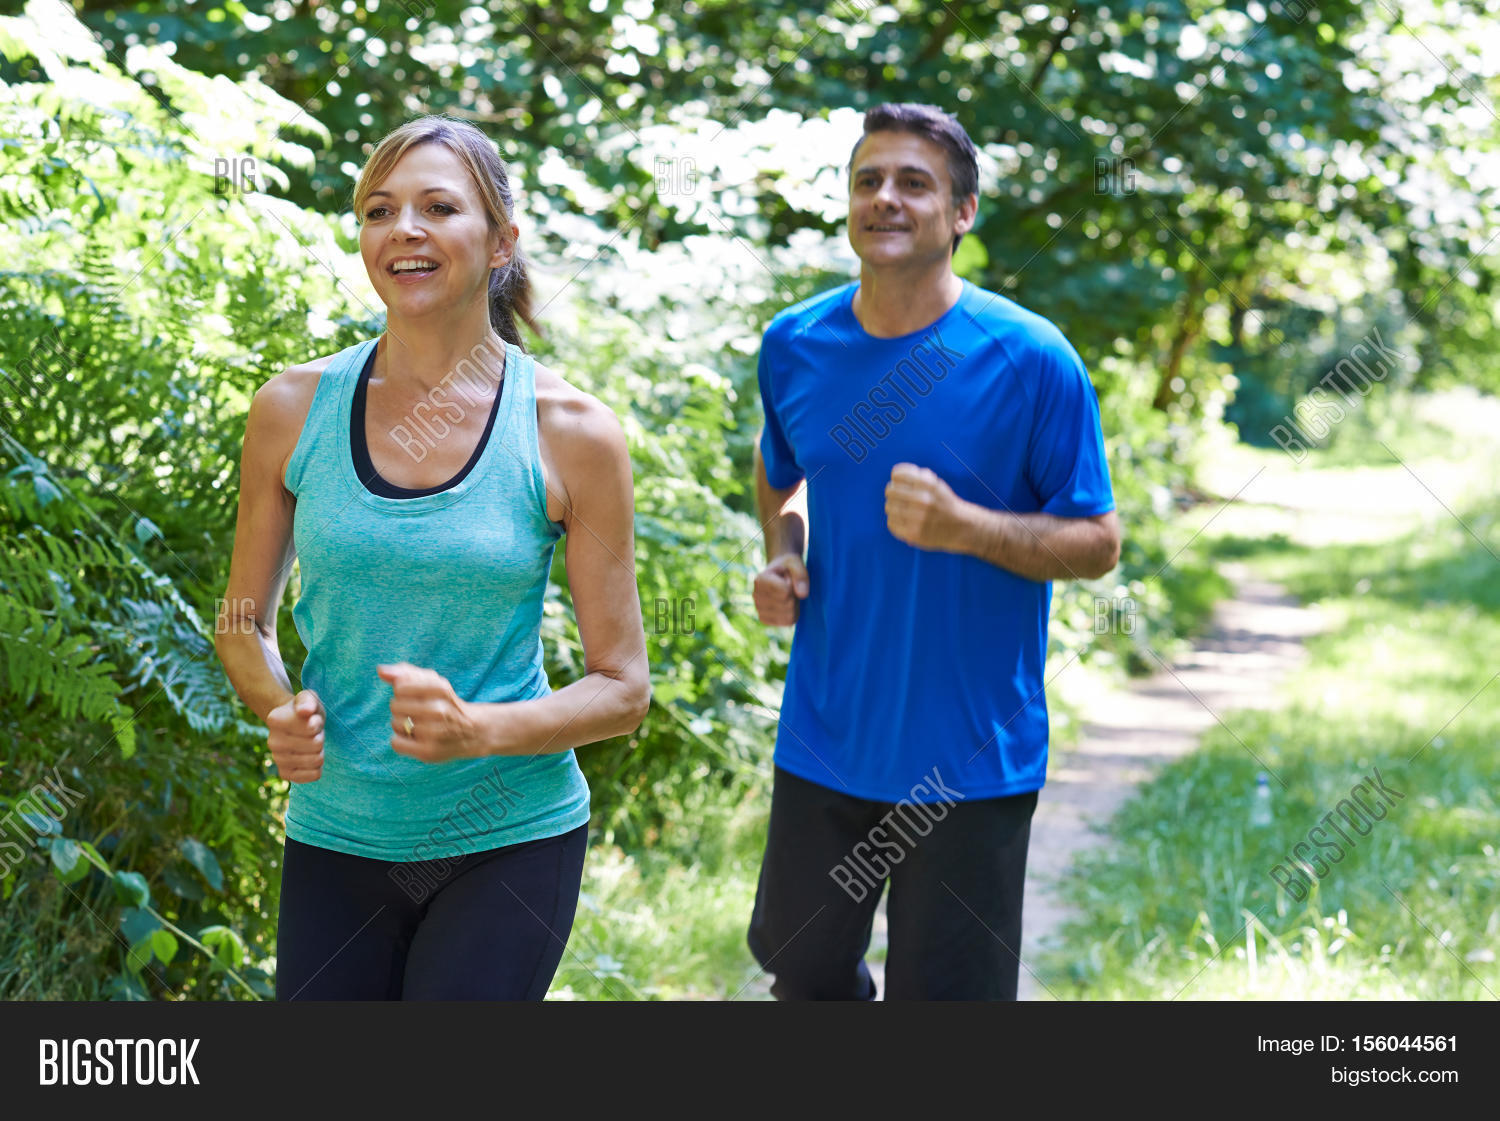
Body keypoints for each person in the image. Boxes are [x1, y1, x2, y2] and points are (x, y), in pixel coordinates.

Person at [215, 116, 650, 1001]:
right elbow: (240, 620)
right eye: (380, 210)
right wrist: (278, 702)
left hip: (510, 834)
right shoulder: (293, 407)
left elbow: (623, 687)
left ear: (501, 244)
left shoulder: (570, 431)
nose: (403, 229)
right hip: (338, 833)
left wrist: (479, 730)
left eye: (438, 207)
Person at [747, 102, 1121, 1000]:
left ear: (962, 213)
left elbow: (1099, 542)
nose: (886, 198)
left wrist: (967, 527)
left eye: (915, 183)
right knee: (797, 965)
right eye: (868, 180)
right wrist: (785, 551)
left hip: (970, 757)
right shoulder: (796, 345)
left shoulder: (1031, 358)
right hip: (828, 736)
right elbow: (782, 476)